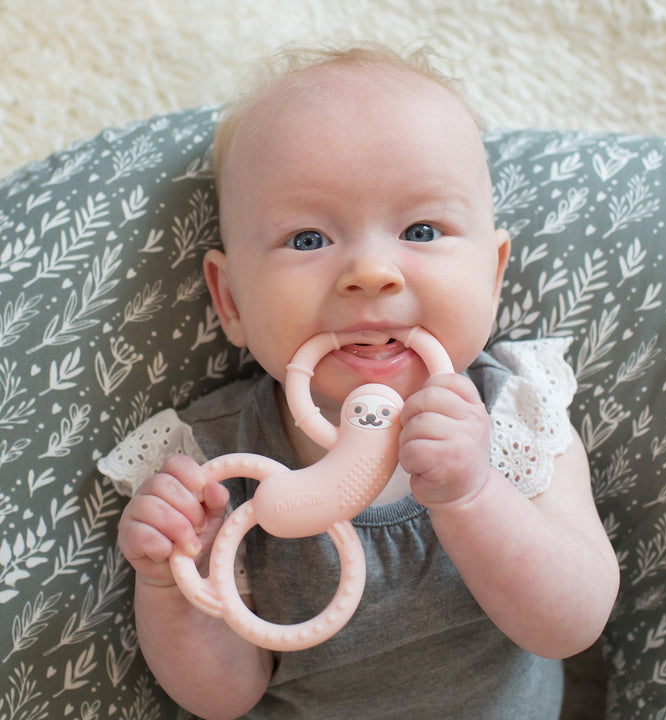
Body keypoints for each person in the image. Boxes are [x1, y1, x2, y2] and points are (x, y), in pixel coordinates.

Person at [99, 43, 619, 720]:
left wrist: (474, 495)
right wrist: (174, 581)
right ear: (230, 301)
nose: (371, 271)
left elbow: (571, 624)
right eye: (309, 239)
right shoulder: (212, 467)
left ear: (492, 278)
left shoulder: (517, 413)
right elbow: (224, 696)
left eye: (422, 229)